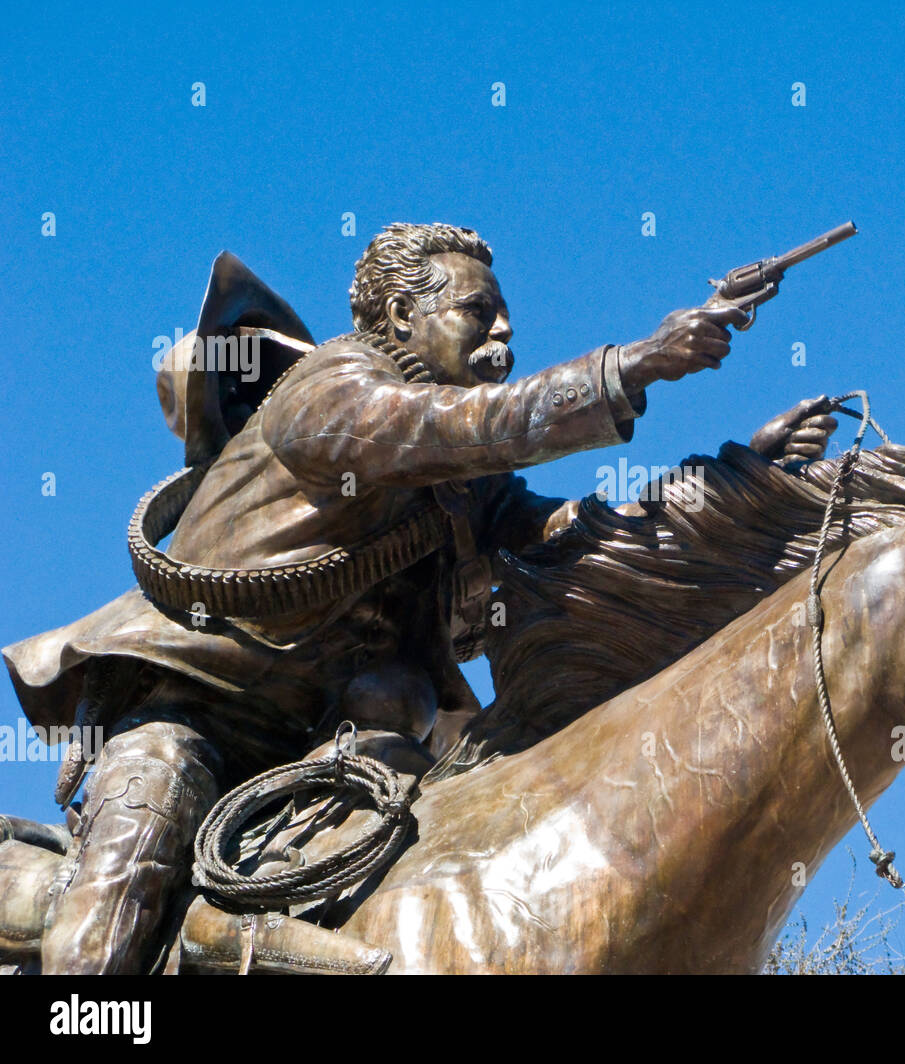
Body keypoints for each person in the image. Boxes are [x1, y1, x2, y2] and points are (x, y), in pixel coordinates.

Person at [3, 222, 837, 973]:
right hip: (195, 710)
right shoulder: (332, 393)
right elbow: (453, 428)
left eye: (504, 314)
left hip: (351, 746)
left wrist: (739, 478)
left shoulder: (465, 488)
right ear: (401, 316)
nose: (504, 329)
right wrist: (636, 364)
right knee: (128, 876)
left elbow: (580, 538)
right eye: (479, 312)